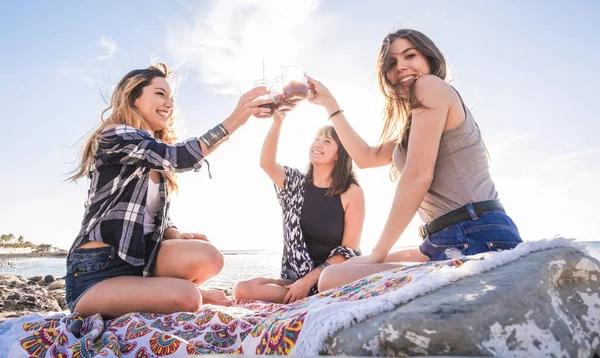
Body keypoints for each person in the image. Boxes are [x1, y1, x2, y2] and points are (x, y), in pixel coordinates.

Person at [308, 29, 523, 291]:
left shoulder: (430, 85)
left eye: (410, 55)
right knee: (342, 269)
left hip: (474, 234)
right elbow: (365, 157)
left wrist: (379, 252)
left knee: (331, 278)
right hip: (449, 237)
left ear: (429, 59)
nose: (401, 67)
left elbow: (418, 176)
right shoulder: (413, 130)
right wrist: (330, 103)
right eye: (391, 64)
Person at [65, 63, 271, 318]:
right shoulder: (115, 134)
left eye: (172, 98)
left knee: (210, 257)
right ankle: (179, 292)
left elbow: (148, 213)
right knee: (189, 298)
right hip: (96, 271)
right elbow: (181, 156)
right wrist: (236, 119)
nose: (169, 104)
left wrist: (173, 232)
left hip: (139, 262)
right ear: (133, 98)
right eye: (160, 94)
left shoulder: (152, 151)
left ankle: (164, 291)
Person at [233, 110, 365, 303]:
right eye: (316, 139)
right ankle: (303, 297)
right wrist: (277, 122)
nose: (317, 144)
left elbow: (348, 252)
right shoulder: (296, 183)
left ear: (339, 155)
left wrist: (308, 281)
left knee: (324, 284)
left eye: (327, 141)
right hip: (295, 275)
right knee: (242, 289)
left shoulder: (351, 192)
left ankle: (311, 296)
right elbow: (267, 164)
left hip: (331, 278)